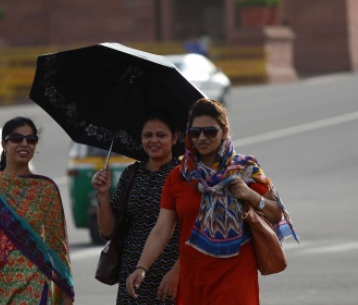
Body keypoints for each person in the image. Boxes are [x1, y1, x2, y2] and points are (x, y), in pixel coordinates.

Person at [126, 99, 298, 304]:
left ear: (224, 131)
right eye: (195, 132)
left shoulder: (245, 169)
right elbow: (162, 229)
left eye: (210, 131)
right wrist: (141, 267)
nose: (202, 138)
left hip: (236, 277)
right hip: (193, 280)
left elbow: (275, 213)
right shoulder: (179, 177)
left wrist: (249, 194)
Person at [0, 117, 75, 305]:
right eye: (17, 138)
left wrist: (66, 294)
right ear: (4, 144)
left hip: (33, 284)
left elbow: (58, 246)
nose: (24, 144)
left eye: (31, 140)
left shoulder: (45, 189)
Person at [91, 110, 183, 304]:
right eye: (148, 135)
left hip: (170, 277)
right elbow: (108, 231)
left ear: (174, 138)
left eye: (161, 135)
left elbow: (194, 230)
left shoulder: (183, 176)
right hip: (133, 276)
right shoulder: (131, 174)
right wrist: (103, 193)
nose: (154, 140)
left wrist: (178, 271)